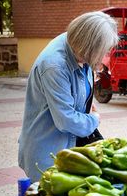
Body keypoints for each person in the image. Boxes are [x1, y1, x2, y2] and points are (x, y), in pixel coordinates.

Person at [18, 11, 119, 181]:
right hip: (48, 156)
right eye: (104, 51)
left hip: (70, 149)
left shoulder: (78, 47)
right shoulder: (54, 66)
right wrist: (93, 119)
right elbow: (66, 120)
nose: (106, 57)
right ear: (89, 47)